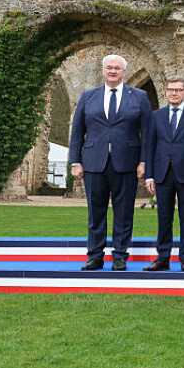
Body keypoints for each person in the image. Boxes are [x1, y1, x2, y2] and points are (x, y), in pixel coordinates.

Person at [69, 54, 153, 271]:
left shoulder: (139, 97)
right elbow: (77, 131)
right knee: (95, 212)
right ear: (103, 70)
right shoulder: (88, 97)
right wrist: (75, 161)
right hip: (93, 163)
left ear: (123, 72)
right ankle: (95, 256)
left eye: (117, 68)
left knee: (124, 212)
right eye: (109, 68)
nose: (113, 71)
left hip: (127, 163)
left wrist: (144, 161)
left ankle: (119, 256)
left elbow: (148, 133)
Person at [142, 78, 184, 273]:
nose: (174, 93)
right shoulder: (156, 116)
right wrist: (149, 175)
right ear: (166, 92)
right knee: (164, 218)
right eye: (170, 90)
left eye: (178, 90)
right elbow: (150, 147)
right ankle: (162, 258)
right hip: (162, 174)